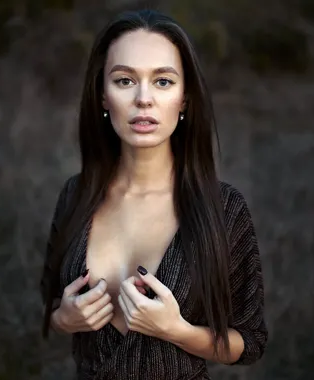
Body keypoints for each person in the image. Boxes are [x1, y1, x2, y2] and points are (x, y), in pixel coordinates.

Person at [40, 8, 267, 380]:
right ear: (102, 95)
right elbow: (50, 306)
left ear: (185, 99)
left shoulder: (224, 208)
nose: (143, 99)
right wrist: (65, 318)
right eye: (125, 81)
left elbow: (250, 341)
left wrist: (176, 331)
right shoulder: (75, 195)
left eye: (162, 81)